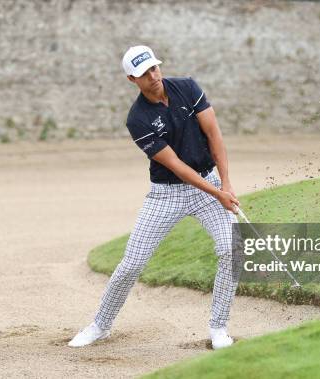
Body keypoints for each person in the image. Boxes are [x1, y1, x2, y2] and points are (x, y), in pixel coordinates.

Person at [69, 45, 240, 350]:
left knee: (231, 249)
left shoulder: (187, 88)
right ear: (131, 79)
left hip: (210, 182)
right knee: (132, 264)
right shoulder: (138, 119)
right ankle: (100, 325)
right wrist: (218, 194)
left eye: (154, 68)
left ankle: (218, 328)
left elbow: (215, 135)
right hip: (167, 194)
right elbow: (176, 166)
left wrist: (226, 184)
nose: (152, 76)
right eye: (143, 74)